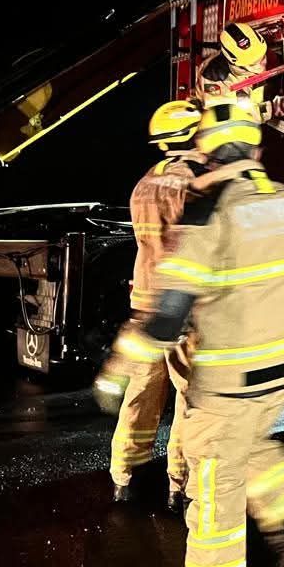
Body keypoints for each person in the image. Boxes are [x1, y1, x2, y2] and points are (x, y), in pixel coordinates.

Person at [132, 103, 284, 567]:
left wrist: (121, 368)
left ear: (207, 155)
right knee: (252, 447)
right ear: (255, 149)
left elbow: (169, 312)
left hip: (230, 377)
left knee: (215, 481)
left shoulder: (210, 214)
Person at [93, 101, 206, 508]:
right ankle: (180, 484)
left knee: (141, 391)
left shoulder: (143, 184)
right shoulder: (196, 184)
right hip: (181, 309)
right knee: (190, 396)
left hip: (144, 302)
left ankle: (125, 478)